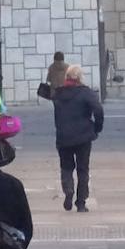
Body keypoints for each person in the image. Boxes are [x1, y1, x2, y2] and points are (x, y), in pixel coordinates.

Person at [52, 64, 104, 213]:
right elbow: (98, 109)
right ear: (80, 77)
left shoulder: (59, 94)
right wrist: (97, 127)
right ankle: (81, 202)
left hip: (63, 136)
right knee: (83, 169)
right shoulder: (85, 93)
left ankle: (68, 190)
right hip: (83, 136)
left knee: (66, 167)